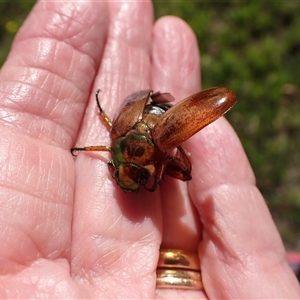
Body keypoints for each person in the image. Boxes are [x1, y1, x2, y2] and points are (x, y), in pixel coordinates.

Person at [0, 1, 299, 299]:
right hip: (153, 121)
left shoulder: (119, 138)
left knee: (171, 153)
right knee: (170, 151)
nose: (131, 181)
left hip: (156, 120)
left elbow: (109, 135)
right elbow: (109, 136)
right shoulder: (122, 141)